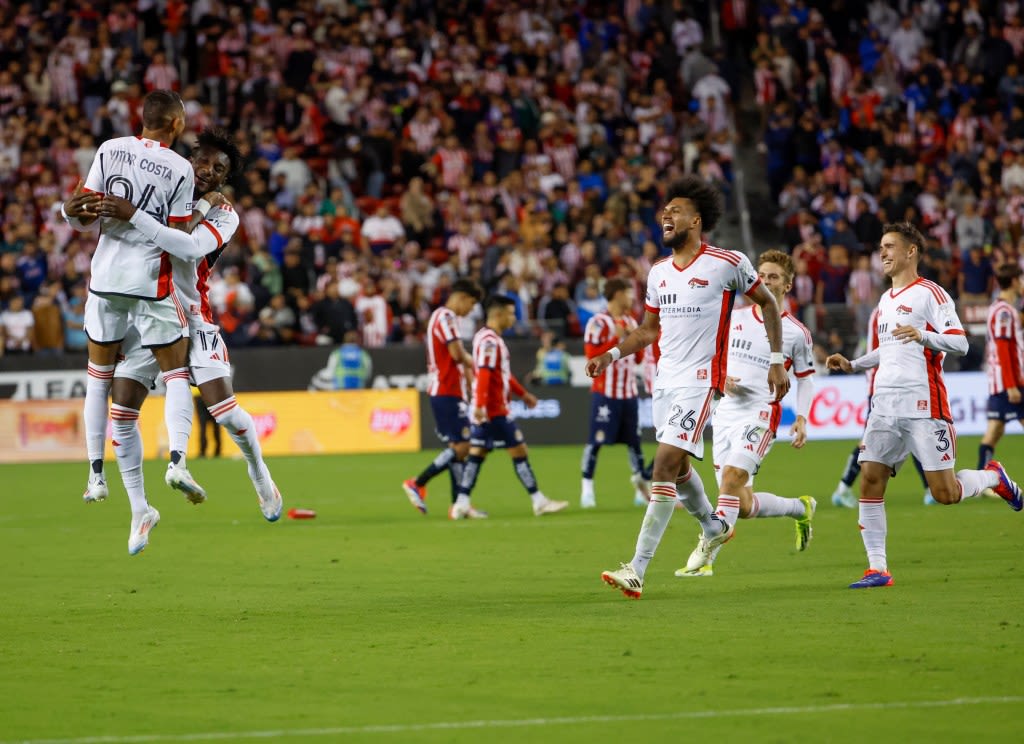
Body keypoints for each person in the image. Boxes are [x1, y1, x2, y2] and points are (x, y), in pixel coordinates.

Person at [589, 175, 790, 599]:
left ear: (696, 220)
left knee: (662, 466)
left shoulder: (727, 263)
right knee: (678, 471)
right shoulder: (658, 273)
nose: (666, 214)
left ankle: (637, 569)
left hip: (701, 383)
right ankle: (715, 527)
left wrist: (776, 361)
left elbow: (769, 304)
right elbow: (647, 332)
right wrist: (610, 355)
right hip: (664, 383)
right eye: (665, 211)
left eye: (675, 210)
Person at [95, 128, 283, 554]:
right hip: (148, 314)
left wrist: (191, 208)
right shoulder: (163, 183)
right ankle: (140, 509)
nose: (209, 172)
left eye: (219, 171)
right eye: (206, 162)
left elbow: (186, 246)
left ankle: (259, 472)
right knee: (121, 413)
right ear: (191, 157)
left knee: (225, 412)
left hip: (193, 318)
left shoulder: (225, 215)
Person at [826, 223, 1022, 589]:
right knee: (870, 478)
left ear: (910, 251)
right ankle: (877, 569)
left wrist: (924, 335)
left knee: (944, 493)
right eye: (880, 247)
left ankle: (994, 476)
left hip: (923, 404)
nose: (882, 254)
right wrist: (854, 365)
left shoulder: (932, 294)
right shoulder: (886, 299)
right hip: (884, 404)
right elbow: (889, 349)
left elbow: (960, 343)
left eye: (889, 247)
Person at [62, 90, 199, 531]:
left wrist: (68, 216)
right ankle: (178, 460)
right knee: (176, 373)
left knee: (97, 379)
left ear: (143, 118)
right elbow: (180, 242)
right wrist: (140, 215)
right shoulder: (181, 168)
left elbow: (83, 212)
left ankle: (95, 475)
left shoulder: (109, 149)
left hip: (104, 281)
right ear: (175, 124)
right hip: (148, 284)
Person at [676, 250, 816, 577]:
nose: (765, 282)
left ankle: (705, 555)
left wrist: (802, 417)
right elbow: (709, 357)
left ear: (788, 285)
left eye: (774, 277)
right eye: (762, 276)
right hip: (724, 414)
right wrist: (720, 378)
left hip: (761, 414)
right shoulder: (733, 318)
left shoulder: (796, 332)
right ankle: (800, 507)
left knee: (730, 480)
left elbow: (806, 380)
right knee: (742, 503)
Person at [450, 295, 569, 519]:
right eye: (511, 313)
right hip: (493, 409)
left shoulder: (488, 338)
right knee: (518, 450)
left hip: (488, 407)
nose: (514, 318)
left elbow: (501, 375)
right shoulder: (489, 341)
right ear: (498, 314)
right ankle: (538, 500)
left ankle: (461, 503)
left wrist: (523, 394)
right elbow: (484, 373)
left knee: (478, 451)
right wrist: (483, 405)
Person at [831, 306, 933, 508]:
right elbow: (880, 351)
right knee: (873, 443)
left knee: (909, 435)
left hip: (892, 385)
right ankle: (842, 489)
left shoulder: (888, 309)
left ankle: (930, 489)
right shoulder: (884, 311)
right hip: (884, 388)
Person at [402, 278, 483, 515]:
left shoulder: (446, 318)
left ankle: (459, 505)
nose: (470, 311)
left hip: (452, 391)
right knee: (465, 446)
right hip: (446, 390)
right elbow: (457, 354)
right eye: (471, 305)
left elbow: (458, 360)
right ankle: (418, 482)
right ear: (462, 298)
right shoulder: (445, 317)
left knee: (458, 448)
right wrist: (478, 365)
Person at [580, 277, 650, 509]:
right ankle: (587, 489)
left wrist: (632, 336)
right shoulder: (598, 322)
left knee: (634, 443)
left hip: (628, 393)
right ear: (618, 294)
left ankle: (641, 491)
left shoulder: (631, 320)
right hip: (605, 394)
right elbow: (591, 353)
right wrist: (616, 337)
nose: (632, 298)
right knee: (596, 442)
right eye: (629, 293)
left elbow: (638, 358)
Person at [979, 264, 1024, 468]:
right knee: (994, 430)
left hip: (1001, 382)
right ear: (1014, 282)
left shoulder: (1000, 309)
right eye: (1021, 279)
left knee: (994, 430)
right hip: (1010, 381)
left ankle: (979, 479)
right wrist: (1012, 385)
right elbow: (1004, 349)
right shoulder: (1004, 312)